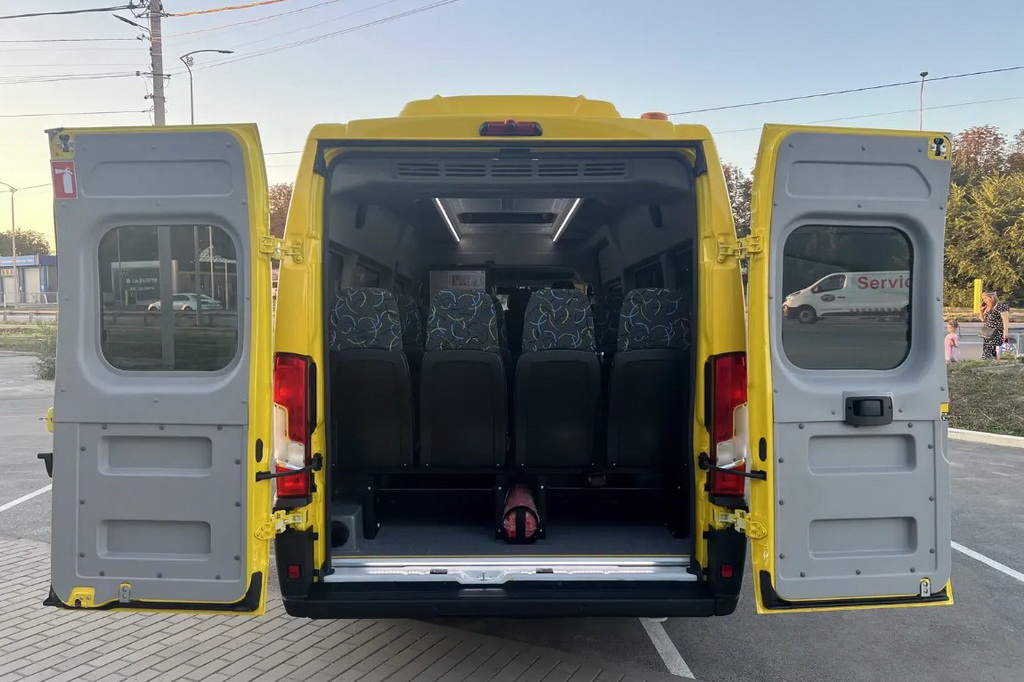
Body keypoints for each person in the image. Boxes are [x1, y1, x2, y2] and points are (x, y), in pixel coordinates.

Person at [978, 292, 1010, 359]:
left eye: (985, 298)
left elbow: (1005, 321)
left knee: (994, 354)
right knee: (987, 354)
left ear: (992, 298)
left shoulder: (1001, 305)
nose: (984, 301)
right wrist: (981, 311)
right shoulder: (989, 307)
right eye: (983, 299)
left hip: (997, 335)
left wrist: (1005, 335)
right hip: (988, 335)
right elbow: (983, 320)